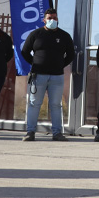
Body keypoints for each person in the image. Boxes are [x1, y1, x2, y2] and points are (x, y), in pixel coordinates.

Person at [20, 8, 75, 141]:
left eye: (55, 18)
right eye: (50, 18)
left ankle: (57, 133)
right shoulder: (36, 34)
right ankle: (30, 132)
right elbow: (25, 52)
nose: (52, 20)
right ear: (44, 20)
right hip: (38, 76)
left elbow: (71, 55)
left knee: (56, 105)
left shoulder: (64, 36)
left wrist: (60, 64)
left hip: (57, 76)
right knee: (34, 103)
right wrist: (35, 63)